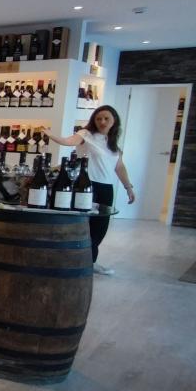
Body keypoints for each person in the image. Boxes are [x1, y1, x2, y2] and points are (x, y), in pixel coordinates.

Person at [46, 105, 135, 276]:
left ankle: (90, 261)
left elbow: (119, 167)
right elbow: (68, 141)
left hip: (106, 188)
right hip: (86, 186)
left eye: (106, 118)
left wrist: (128, 187)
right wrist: (53, 136)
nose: (102, 121)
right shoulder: (85, 135)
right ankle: (77, 260)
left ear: (114, 121)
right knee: (82, 225)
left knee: (100, 228)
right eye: (98, 118)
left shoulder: (113, 143)